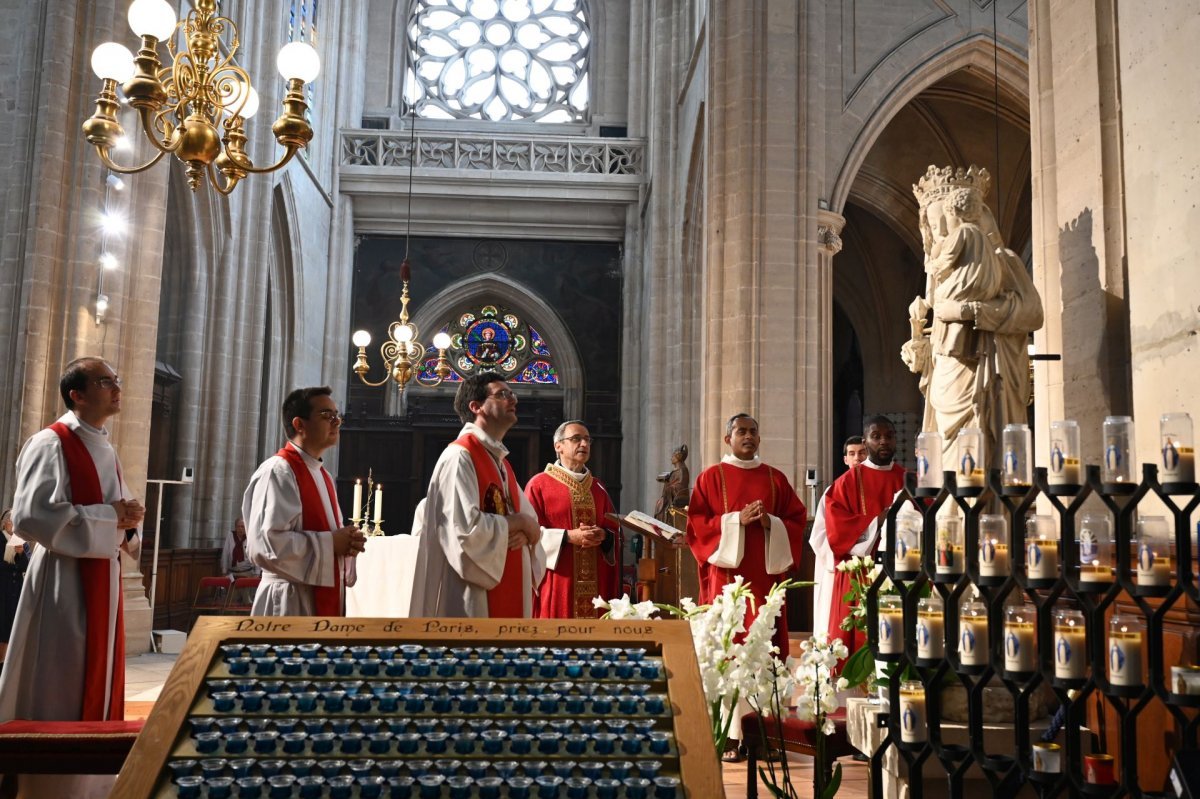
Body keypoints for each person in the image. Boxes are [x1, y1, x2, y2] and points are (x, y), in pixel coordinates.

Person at [0, 358, 145, 798]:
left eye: (117, 380)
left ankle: (94, 780)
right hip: (65, 582)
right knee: (61, 680)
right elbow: (30, 516)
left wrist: (129, 521)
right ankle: (52, 783)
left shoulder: (106, 445)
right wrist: (111, 517)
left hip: (103, 575)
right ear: (76, 394)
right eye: (106, 382)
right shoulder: (51, 441)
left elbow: (117, 514)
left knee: (96, 677)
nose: (116, 388)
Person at [408, 372, 545, 617]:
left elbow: (531, 524)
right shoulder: (460, 457)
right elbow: (464, 531)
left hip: (507, 584)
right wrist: (519, 524)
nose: (513, 400)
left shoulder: (500, 462)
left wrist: (526, 531)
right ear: (476, 406)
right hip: (471, 594)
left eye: (512, 393)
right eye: (502, 394)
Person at [687, 413, 808, 656]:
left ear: (760, 438)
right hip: (726, 574)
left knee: (763, 635)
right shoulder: (710, 477)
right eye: (741, 431)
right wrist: (735, 521)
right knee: (728, 637)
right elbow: (697, 525)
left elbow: (796, 520)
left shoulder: (775, 478)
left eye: (753, 432)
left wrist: (770, 522)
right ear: (727, 439)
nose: (748, 436)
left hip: (764, 575)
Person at [242, 387, 365, 616]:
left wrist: (347, 545)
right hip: (288, 601)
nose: (336, 422)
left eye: (338, 415)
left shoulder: (323, 475)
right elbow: (266, 546)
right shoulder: (279, 471)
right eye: (327, 416)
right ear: (300, 424)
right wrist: (331, 543)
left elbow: (329, 538)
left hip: (318, 594)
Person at [823, 415, 907, 655]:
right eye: (876, 436)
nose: (883, 442)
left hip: (901, 571)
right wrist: (879, 520)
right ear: (865, 440)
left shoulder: (908, 479)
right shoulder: (846, 483)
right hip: (858, 574)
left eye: (889, 437)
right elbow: (837, 533)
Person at [525, 421, 620, 619]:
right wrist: (567, 537)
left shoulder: (598, 487)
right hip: (559, 581)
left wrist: (604, 535)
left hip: (597, 585)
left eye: (587, 439)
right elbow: (528, 535)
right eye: (576, 439)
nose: (584, 444)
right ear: (558, 446)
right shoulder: (539, 485)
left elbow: (614, 530)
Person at [808, 436, 869, 634]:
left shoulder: (876, 486)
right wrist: (843, 552)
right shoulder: (833, 491)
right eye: (852, 454)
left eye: (862, 453)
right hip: (839, 566)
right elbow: (819, 535)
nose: (857, 458)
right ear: (845, 460)